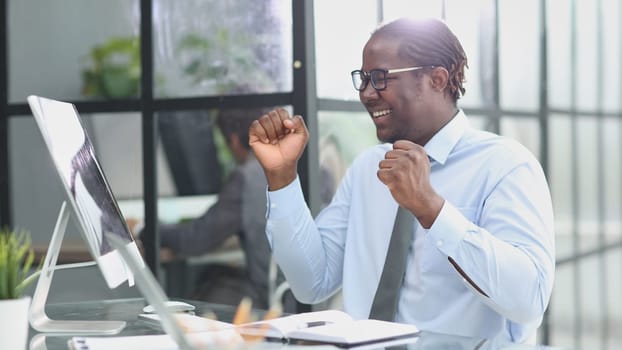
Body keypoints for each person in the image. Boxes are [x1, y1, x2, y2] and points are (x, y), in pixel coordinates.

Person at [248, 17, 555, 343]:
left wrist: (432, 210)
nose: (367, 93)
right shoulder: (368, 168)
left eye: (380, 78)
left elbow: (529, 301)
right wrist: (282, 177)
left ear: (437, 79)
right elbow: (311, 281)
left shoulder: (505, 165)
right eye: (363, 79)